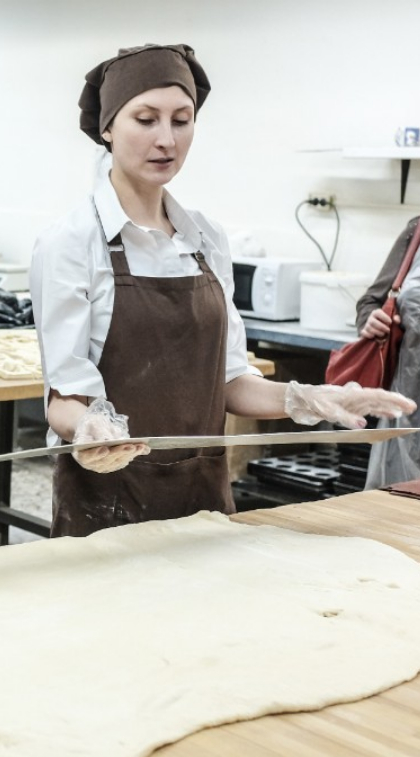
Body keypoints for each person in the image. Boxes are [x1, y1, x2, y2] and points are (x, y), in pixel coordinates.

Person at [30, 43, 416, 538]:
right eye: (145, 119)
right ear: (107, 127)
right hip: (107, 503)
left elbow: (230, 382)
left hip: (204, 496)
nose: (166, 139)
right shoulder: (71, 242)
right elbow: (63, 398)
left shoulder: (205, 239)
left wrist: (308, 398)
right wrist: (86, 428)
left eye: (181, 119)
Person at [356, 215, 420, 488]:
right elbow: (371, 301)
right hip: (410, 407)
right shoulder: (417, 231)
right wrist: (371, 319)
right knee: (396, 513)